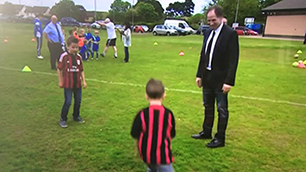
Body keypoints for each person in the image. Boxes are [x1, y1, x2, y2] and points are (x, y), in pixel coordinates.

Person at [192, 5, 239, 148]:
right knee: (208, 106)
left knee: (222, 110)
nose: (211, 23)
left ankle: (220, 138)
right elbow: (203, 55)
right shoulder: (207, 33)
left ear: (221, 18)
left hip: (221, 80)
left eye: (214, 20)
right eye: (209, 21)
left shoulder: (230, 34)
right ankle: (206, 132)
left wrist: (228, 81)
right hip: (207, 77)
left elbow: (233, 60)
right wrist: (199, 75)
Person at [131, 78, 176, 172]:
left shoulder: (142, 114)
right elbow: (172, 134)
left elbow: (134, 133)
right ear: (164, 95)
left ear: (146, 96)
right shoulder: (168, 114)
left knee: (152, 167)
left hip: (146, 155)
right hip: (163, 156)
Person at [57, 36, 87, 128]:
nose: (75, 49)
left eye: (76, 47)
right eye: (73, 47)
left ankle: (76, 116)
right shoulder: (64, 56)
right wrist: (60, 81)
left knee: (78, 101)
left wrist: (84, 81)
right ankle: (63, 119)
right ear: (68, 46)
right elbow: (59, 69)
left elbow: (81, 70)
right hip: (68, 84)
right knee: (68, 101)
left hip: (77, 84)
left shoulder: (78, 57)